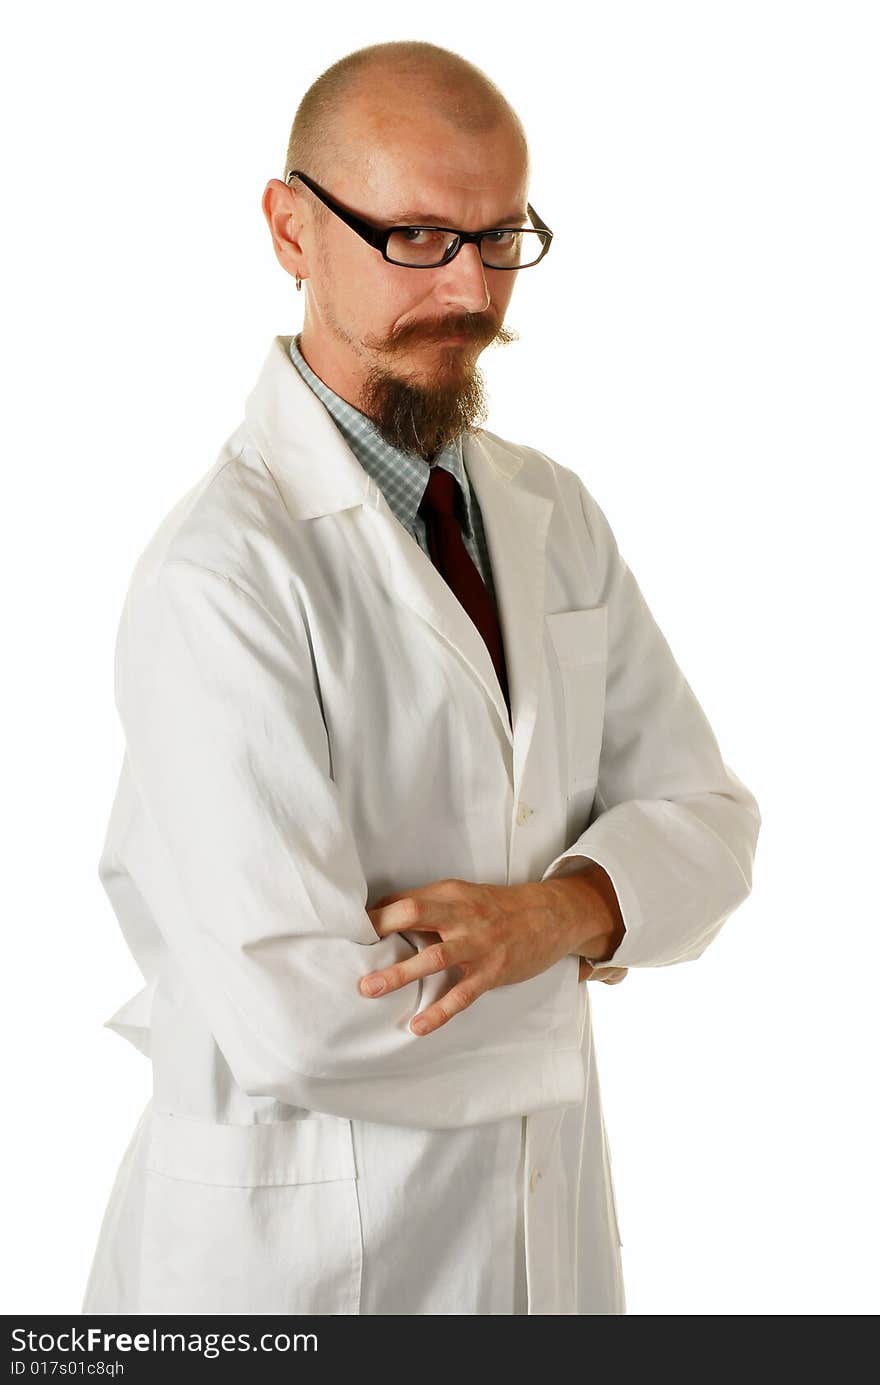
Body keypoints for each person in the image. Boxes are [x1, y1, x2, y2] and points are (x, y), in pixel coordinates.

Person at [81, 40, 761, 1317]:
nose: (469, 288)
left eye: (501, 237)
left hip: (537, 1245)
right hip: (292, 1282)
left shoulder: (547, 509)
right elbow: (297, 1010)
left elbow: (712, 823)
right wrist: (601, 923)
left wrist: (547, 918)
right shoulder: (219, 574)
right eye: (414, 237)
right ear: (290, 228)